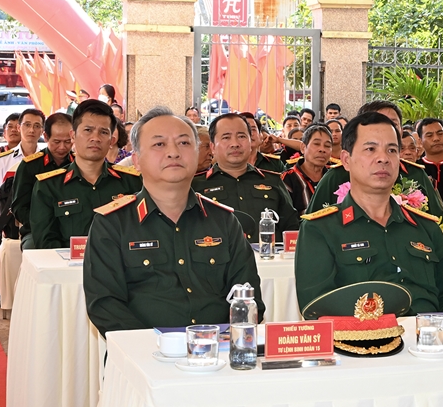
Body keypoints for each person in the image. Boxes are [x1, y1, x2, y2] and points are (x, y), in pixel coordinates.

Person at [84, 107, 264, 336]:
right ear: (136, 160)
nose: (173, 153)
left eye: (184, 143)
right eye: (159, 144)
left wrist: (219, 342)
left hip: (217, 349)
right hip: (142, 352)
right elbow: (105, 306)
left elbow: (249, 297)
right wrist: (158, 345)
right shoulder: (112, 224)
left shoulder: (224, 221)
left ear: (199, 153)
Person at [294, 112, 443, 314]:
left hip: (424, 331)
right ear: (346, 160)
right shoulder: (320, 229)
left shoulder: (426, 227)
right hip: (358, 333)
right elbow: (318, 311)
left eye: (391, 150)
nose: (383, 158)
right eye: (370, 149)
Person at [28, 101, 142, 250]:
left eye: (103, 132)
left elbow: (141, 233)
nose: (95, 138)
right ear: (73, 136)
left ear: (111, 141)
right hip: (65, 264)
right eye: (88, 130)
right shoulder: (48, 186)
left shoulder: (132, 182)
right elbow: (45, 242)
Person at [305, 101, 443, 219]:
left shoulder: (416, 174)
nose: (386, 130)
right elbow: (314, 227)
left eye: (393, 124)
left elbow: (439, 224)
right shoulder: (335, 177)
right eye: (378, 122)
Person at [192, 113, 300, 240]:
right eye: (226, 137)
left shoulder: (273, 181)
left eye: (241, 136)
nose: (235, 144)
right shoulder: (195, 186)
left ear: (250, 142)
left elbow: (291, 228)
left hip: (267, 252)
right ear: (213, 147)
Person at [12, 113, 74, 248]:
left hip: (74, 228)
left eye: (68, 141)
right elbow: (19, 207)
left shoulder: (79, 163)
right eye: (56, 142)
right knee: (33, 250)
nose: (62, 147)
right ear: (46, 137)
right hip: (37, 229)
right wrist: (42, 224)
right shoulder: (30, 166)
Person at [0, 109, 45, 216]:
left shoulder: (47, 159)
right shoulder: (2, 160)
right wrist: (7, 214)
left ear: (42, 131)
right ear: (19, 128)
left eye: (37, 126)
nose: (31, 130)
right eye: (27, 125)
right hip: (9, 219)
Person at [281, 125, 333, 215]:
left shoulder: (334, 177)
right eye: (316, 144)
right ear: (303, 148)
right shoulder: (287, 179)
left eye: (327, 146)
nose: (322, 149)